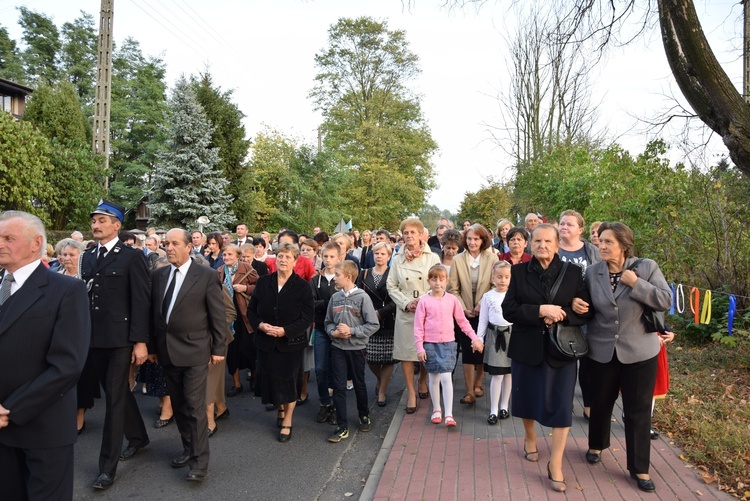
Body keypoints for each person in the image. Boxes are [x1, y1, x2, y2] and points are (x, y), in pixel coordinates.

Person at [572, 221, 672, 493]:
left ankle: (640, 467)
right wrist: (576, 304)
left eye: (608, 242)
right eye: (600, 241)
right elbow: (583, 303)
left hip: (640, 351)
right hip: (602, 349)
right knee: (601, 402)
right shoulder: (592, 272)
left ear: (624, 245)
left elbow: (665, 300)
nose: (601, 246)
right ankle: (596, 445)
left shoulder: (646, 267)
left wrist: (637, 284)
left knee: (638, 411)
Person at [0, 211, 90, 501]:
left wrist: (9, 409)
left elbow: (67, 365)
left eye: (8, 238)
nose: (0, 244)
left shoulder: (67, 290)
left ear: (35, 242)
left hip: (41, 429)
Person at [502, 223, 593, 493]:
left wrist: (564, 312)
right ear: (530, 245)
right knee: (526, 397)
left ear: (557, 245)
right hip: (527, 347)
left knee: (562, 404)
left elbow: (586, 310)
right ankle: (530, 437)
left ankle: (555, 463)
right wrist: (541, 310)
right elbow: (509, 309)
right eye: (538, 241)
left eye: (548, 241)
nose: (542, 246)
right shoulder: (518, 272)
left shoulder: (574, 272)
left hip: (562, 349)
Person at [148, 229, 229, 482]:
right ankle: (187, 448)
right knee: (181, 405)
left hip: (196, 351)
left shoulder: (205, 275)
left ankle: (199, 462)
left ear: (188, 247)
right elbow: (154, 315)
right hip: (167, 352)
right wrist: (152, 347)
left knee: (194, 407)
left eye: (174, 243)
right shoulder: (159, 275)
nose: (169, 247)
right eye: (166, 243)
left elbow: (218, 315)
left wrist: (218, 349)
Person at [81, 200, 151, 491]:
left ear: (117, 225)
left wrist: (140, 341)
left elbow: (140, 300)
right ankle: (139, 437)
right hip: (93, 338)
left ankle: (106, 468)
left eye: (102, 220)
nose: (96, 225)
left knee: (112, 400)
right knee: (117, 392)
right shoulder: (88, 256)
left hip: (120, 340)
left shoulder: (131, 256)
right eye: (94, 220)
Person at [248, 242, 314, 442]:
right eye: (280, 256)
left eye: (287, 257)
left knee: (289, 381)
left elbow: (307, 316)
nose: (283, 260)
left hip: (290, 343)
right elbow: (251, 310)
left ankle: (288, 419)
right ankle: (280, 409)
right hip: (266, 341)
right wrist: (260, 325)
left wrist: (286, 331)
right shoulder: (263, 282)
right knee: (271, 379)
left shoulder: (302, 286)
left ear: (295, 261)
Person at [415, 265, 483, 428]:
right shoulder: (424, 301)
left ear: (447, 281)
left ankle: (449, 414)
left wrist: (474, 338)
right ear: (428, 281)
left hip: (448, 344)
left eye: (441, 279)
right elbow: (418, 326)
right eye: (434, 279)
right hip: (430, 344)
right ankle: (437, 409)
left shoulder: (452, 300)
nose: (437, 283)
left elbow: (462, 322)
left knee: (446, 377)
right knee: (434, 378)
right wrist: (420, 348)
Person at [386, 218, 439, 414]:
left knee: (424, 350)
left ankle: (423, 380)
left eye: (413, 232)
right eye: (406, 233)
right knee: (406, 353)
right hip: (405, 310)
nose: (409, 236)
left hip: (427, 310)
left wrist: (423, 302)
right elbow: (391, 286)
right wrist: (406, 302)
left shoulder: (432, 257)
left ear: (420, 235)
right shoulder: (397, 258)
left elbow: (437, 281)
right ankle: (410, 392)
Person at [325, 261, 380, 443]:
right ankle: (342, 426)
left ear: (348, 277)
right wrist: (333, 332)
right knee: (339, 386)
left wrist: (352, 331)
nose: (334, 277)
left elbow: (373, 324)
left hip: (357, 349)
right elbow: (328, 322)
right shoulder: (335, 298)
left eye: (337, 274)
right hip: (338, 348)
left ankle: (363, 415)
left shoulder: (362, 297)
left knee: (359, 383)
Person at [558, 209, 601, 421]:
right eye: (562, 223)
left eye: (569, 224)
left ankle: (588, 405)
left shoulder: (592, 251)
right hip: (563, 315)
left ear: (580, 230)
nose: (564, 227)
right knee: (564, 361)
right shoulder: (553, 249)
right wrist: (569, 302)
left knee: (588, 362)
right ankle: (564, 404)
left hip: (589, 314)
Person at [56, 238, 100, 434]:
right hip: (58, 335)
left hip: (84, 336)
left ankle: (79, 417)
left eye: (72, 255)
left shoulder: (89, 279)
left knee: (81, 378)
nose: (67, 258)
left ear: (81, 257)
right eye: (64, 254)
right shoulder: (54, 275)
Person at [448, 224, 495, 405]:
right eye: (469, 238)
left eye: (476, 239)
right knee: (467, 350)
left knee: (481, 348)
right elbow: (453, 289)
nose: (472, 242)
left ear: (483, 240)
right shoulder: (458, 259)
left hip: (485, 311)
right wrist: (463, 308)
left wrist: (481, 304)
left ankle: (478, 383)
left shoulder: (492, 257)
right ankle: (469, 392)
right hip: (464, 312)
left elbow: (494, 285)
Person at [357, 241, 397, 407]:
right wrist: (367, 313)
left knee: (388, 359)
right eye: (376, 253)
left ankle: (382, 391)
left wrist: (381, 313)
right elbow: (358, 294)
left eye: (383, 254)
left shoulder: (394, 273)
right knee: (371, 358)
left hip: (388, 320)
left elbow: (397, 298)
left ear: (389, 256)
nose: (379, 256)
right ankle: (380, 379)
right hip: (368, 321)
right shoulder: (364, 274)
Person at [477, 260, 513, 424]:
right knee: (497, 375)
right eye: (499, 276)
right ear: (493, 278)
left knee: (509, 374)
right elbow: (483, 319)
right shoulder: (488, 296)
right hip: (495, 336)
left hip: (512, 337)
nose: (503, 280)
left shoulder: (514, 294)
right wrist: (479, 338)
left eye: (506, 277)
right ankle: (493, 410)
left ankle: (504, 406)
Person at [220, 245, 258, 397]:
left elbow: (260, 286)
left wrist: (245, 288)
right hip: (228, 317)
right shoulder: (220, 271)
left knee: (249, 349)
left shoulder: (247, 268)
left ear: (237, 255)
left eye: (229, 254)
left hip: (244, 316)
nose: (226, 257)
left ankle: (254, 376)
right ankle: (236, 384)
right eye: (224, 254)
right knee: (231, 352)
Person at [311, 241, 342, 424]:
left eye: (332, 257)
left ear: (339, 258)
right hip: (321, 328)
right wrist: (329, 302)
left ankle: (338, 405)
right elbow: (310, 303)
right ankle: (325, 403)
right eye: (325, 256)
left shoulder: (342, 279)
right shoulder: (316, 280)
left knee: (337, 369)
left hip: (339, 331)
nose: (328, 260)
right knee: (321, 368)